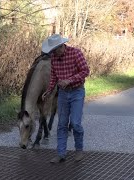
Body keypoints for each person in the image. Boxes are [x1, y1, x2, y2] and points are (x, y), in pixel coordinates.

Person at [41, 34, 90, 163]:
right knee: (62, 124)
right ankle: (61, 154)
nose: (53, 53)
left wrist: (69, 80)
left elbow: (85, 70)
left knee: (75, 123)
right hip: (63, 94)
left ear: (61, 46)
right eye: (52, 51)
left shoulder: (75, 53)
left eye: (55, 50)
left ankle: (79, 150)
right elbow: (53, 77)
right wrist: (48, 91)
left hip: (77, 92)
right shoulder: (53, 58)